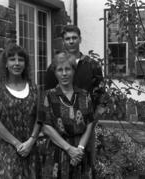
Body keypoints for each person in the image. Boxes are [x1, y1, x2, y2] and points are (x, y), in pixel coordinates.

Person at [44, 25, 105, 178]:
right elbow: (48, 96)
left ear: (80, 39)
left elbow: (101, 96)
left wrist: (91, 123)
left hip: (85, 128)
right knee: (59, 169)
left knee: (86, 165)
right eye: (67, 39)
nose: (71, 41)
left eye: (74, 38)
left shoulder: (92, 65)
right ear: (63, 42)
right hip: (60, 131)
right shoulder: (54, 66)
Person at [0, 43, 41, 179]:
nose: (16, 63)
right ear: (5, 63)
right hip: (6, 150)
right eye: (12, 59)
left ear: (25, 64)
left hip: (30, 150)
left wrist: (31, 141)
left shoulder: (34, 89)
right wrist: (17, 144)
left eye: (21, 60)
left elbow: (39, 117)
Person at [39, 51, 95, 178]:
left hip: (81, 154)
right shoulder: (49, 95)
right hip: (57, 153)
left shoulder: (84, 95)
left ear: (74, 71)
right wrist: (70, 149)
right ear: (55, 73)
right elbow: (46, 127)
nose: (64, 73)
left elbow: (90, 122)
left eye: (68, 69)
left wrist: (79, 149)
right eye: (60, 70)